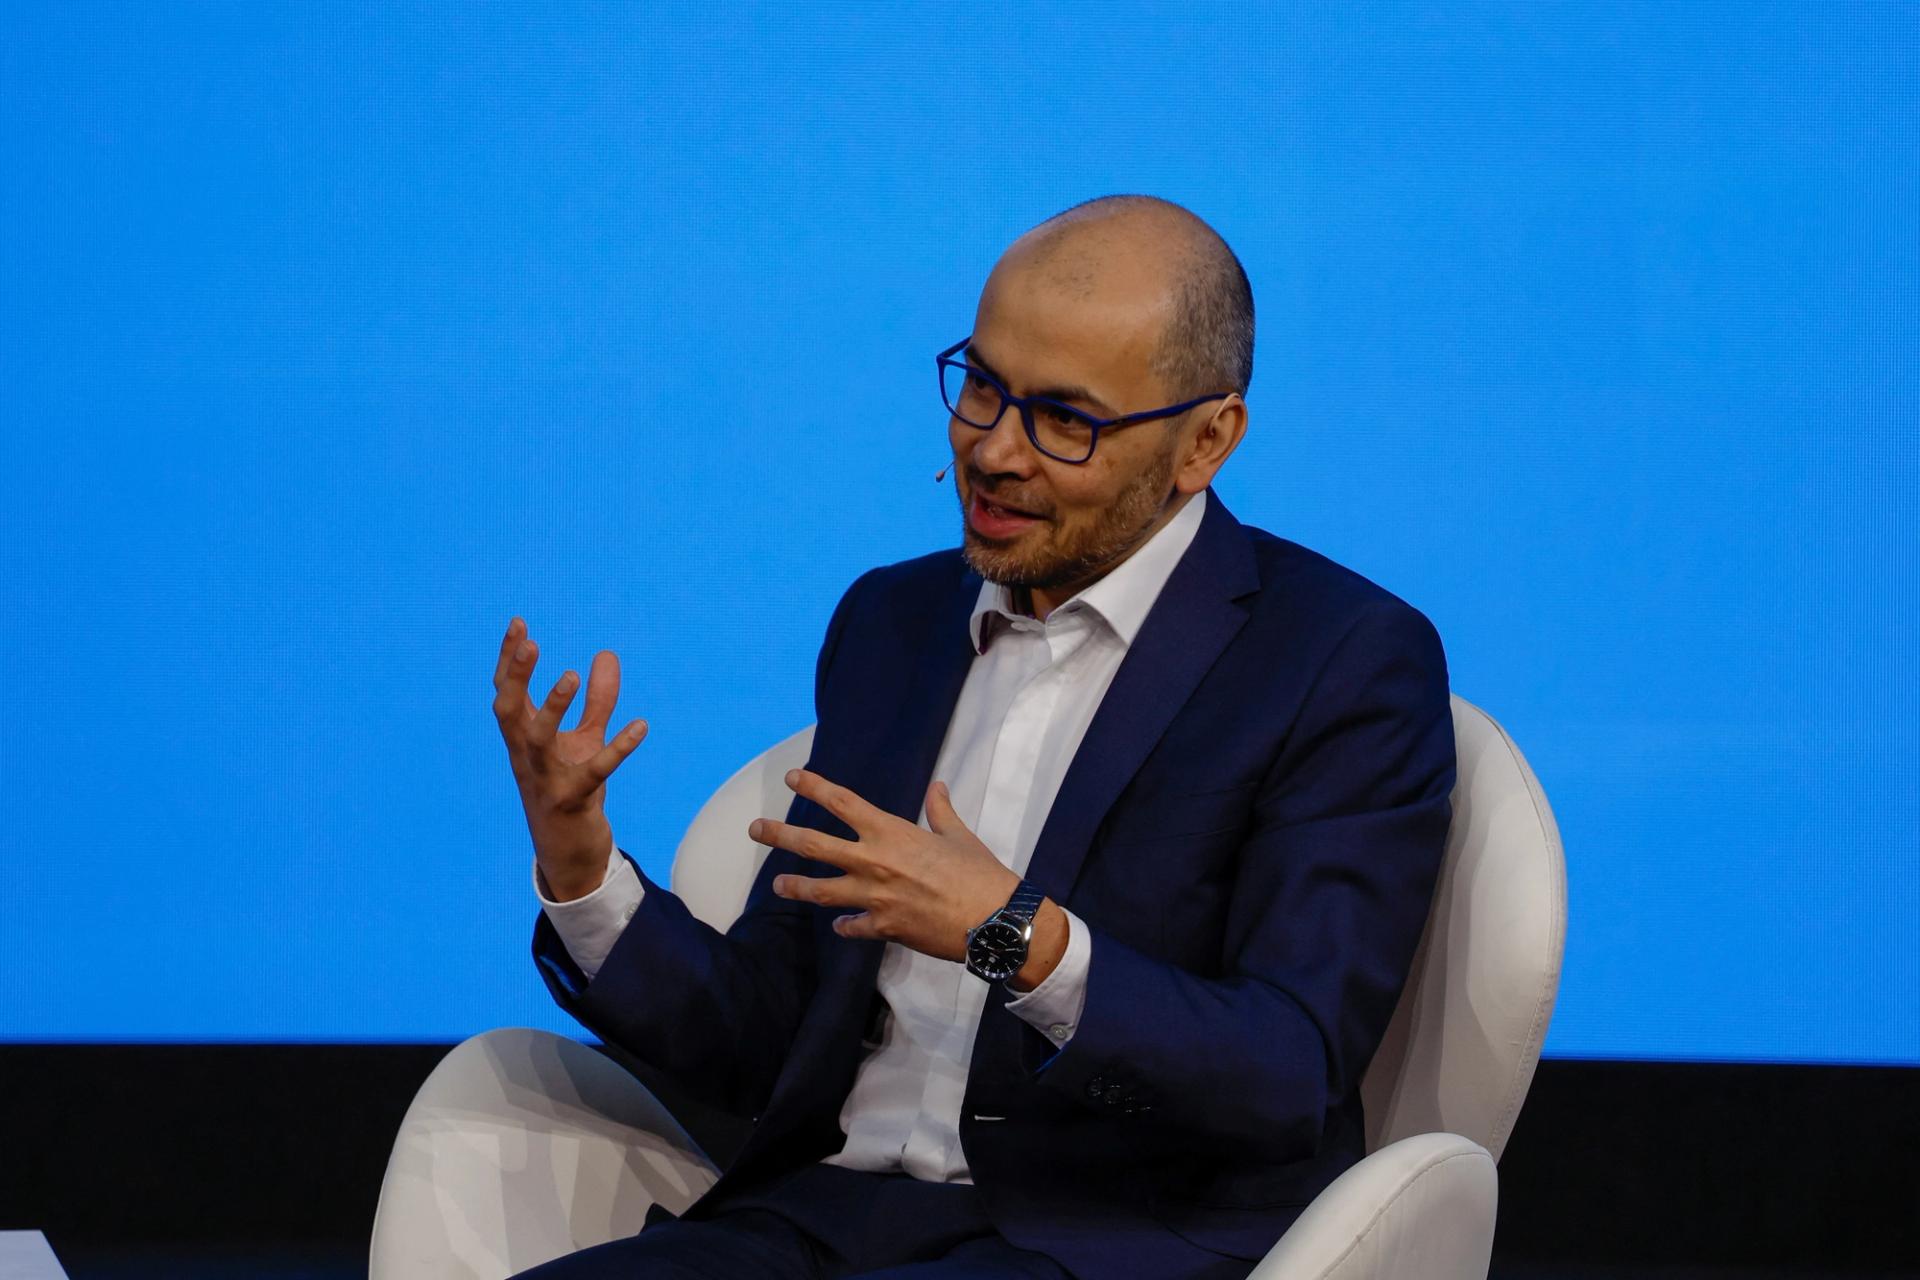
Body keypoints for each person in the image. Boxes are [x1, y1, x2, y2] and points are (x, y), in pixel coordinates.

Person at [490, 194, 1457, 1280]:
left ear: (1206, 440)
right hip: (812, 1222)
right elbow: (769, 1038)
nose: (992, 450)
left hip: (1095, 1242)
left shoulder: (1337, 658)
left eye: (1064, 419)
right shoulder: (893, 622)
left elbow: (1287, 1070)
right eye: (983, 385)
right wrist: (582, 868)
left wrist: (1011, 935)